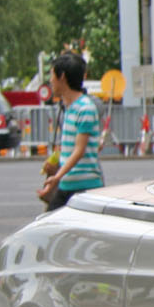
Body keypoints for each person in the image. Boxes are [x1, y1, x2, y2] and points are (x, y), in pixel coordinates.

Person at [37, 52, 104, 211]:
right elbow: (70, 148)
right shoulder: (69, 109)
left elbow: (79, 150)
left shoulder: (85, 108)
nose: (50, 81)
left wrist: (57, 177)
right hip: (68, 183)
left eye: (52, 75)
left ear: (62, 77)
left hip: (84, 187)